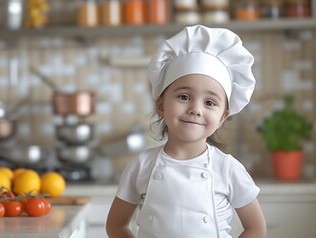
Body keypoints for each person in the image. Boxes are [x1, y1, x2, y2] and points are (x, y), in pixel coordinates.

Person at [106, 25, 267, 238]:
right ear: (161, 106)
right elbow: (116, 226)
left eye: (209, 102)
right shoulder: (141, 165)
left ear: (222, 117)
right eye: (184, 97)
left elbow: (256, 229)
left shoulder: (228, 169)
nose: (195, 109)